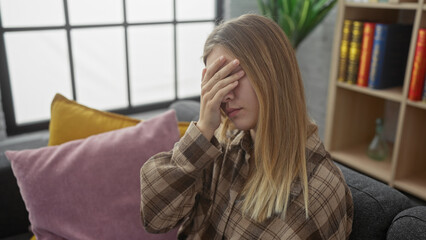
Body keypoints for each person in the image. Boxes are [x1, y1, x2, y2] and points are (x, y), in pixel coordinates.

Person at [140, 14, 353, 239]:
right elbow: (154, 218)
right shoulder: (221, 144)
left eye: (232, 76)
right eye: (216, 82)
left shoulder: (318, 191)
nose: (225, 95)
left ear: (271, 73)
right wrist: (202, 130)